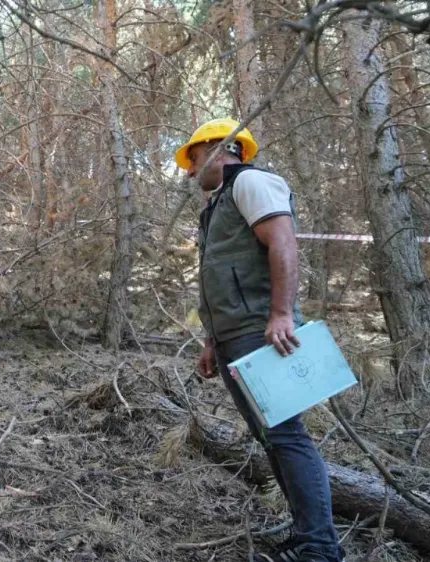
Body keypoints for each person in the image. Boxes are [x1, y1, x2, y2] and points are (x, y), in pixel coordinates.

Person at [178, 118, 345, 562]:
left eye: (193, 158)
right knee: (270, 437)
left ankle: (320, 547)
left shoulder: (252, 183)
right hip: (234, 336)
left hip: (262, 331)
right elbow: (220, 274)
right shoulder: (217, 205)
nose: (190, 171)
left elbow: (283, 245)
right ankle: (306, 533)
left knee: (286, 435)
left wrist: (281, 314)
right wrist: (212, 341)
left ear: (220, 149)